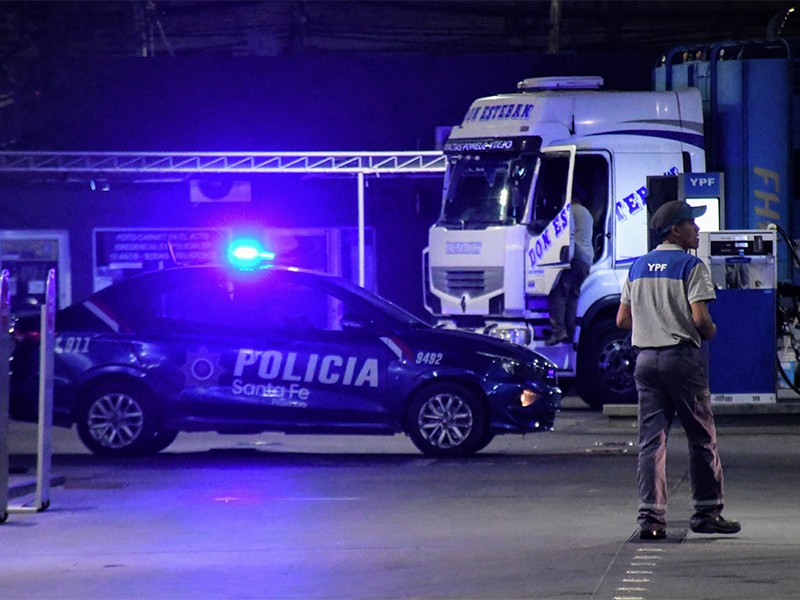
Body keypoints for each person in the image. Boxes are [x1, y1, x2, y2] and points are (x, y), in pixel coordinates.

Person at [616, 200, 741, 540]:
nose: (697, 230)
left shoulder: (637, 266)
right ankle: (707, 513)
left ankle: (651, 520)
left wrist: (652, 324)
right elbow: (700, 319)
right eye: (691, 224)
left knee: (651, 442)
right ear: (675, 230)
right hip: (681, 360)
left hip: (645, 361)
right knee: (701, 437)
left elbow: (623, 319)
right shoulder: (691, 265)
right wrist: (710, 331)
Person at [545, 195, 593, 345]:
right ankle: (570, 332)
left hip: (575, 257)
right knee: (572, 297)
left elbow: (567, 234)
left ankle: (558, 331)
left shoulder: (570, 210)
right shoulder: (586, 213)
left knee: (558, 293)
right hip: (587, 259)